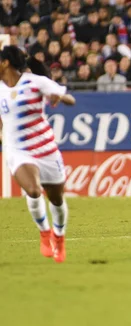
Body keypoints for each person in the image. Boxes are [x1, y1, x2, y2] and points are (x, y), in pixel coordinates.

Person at [0, 45, 76, 262]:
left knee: (57, 200)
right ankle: (44, 232)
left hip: (45, 148)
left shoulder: (34, 82)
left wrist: (59, 97)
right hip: (17, 150)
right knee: (33, 190)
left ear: (5, 63)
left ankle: (59, 237)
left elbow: (70, 99)